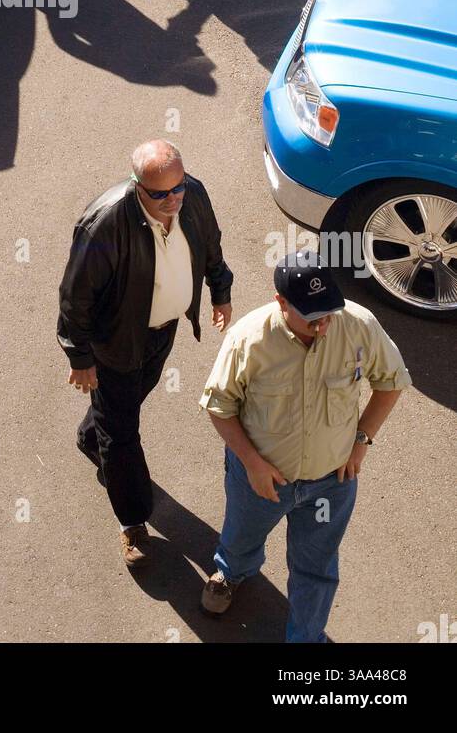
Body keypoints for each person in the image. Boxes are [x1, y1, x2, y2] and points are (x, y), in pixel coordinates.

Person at [199, 250, 410, 643]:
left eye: (329, 312)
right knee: (242, 537)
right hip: (261, 478)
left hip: (332, 481)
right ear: (281, 302)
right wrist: (251, 463)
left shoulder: (357, 325)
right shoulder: (249, 339)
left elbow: (392, 381)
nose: (324, 326)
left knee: (317, 567)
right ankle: (230, 573)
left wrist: (361, 441)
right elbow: (219, 405)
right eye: (312, 318)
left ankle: (305, 638)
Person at [57, 140, 232, 569]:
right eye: (160, 193)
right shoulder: (103, 225)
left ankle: (89, 436)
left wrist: (220, 292)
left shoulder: (193, 194)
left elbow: (210, 243)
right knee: (122, 434)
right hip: (118, 339)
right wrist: (80, 357)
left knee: (124, 403)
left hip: (162, 331)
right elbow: (75, 297)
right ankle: (132, 521)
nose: (173, 199)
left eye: (178, 187)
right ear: (138, 187)